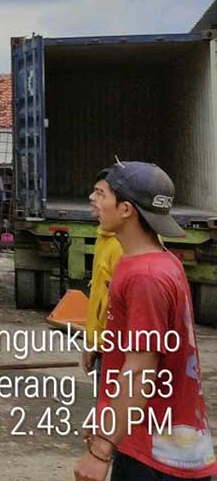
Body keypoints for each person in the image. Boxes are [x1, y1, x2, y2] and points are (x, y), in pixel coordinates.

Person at [74, 161, 215, 481]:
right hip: (146, 437)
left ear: (126, 209)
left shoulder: (145, 276)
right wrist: (106, 417)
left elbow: (140, 371)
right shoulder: (159, 262)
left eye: (102, 194)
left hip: (154, 456)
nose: (94, 200)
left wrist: (101, 449)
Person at [82, 169, 124, 370]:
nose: (91, 197)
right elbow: (100, 297)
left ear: (125, 207)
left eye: (100, 193)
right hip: (102, 347)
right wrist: (91, 342)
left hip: (115, 352)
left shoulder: (123, 247)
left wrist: (98, 344)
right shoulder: (105, 236)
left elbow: (116, 309)